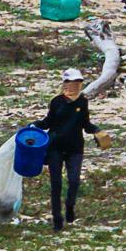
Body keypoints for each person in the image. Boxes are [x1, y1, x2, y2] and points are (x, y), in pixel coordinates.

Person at [31, 68, 107, 232]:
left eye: (78, 83)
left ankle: (70, 207)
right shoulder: (56, 102)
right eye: (72, 82)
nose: (75, 86)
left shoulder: (82, 102)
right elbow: (48, 122)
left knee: (74, 181)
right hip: (55, 148)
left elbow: (86, 125)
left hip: (75, 148)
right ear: (65, 83)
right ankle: (57, 219)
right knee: (56, 184)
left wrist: (97, 131)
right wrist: (35, 125)